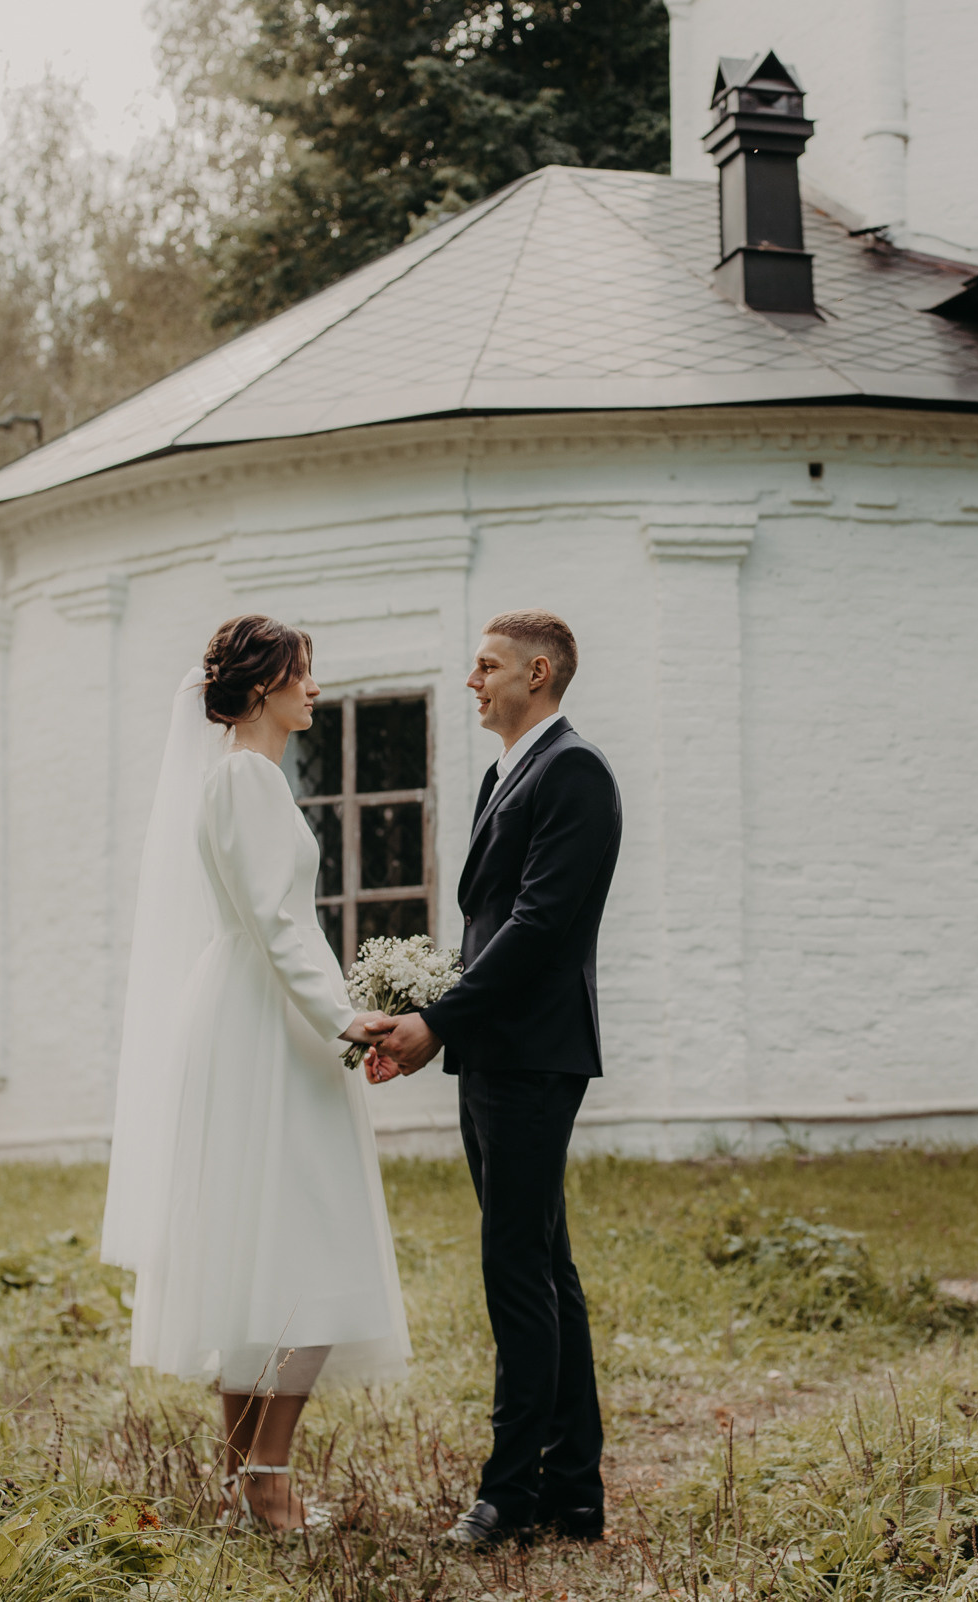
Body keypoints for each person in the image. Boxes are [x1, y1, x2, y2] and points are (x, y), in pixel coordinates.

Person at [101, 615, 409, 1532]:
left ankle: (243, 1479)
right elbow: (281, 924)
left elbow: (275, 925)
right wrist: (347, 1018)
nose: (315, 689)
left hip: (250, 1010)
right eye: (304, 673)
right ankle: (267, 1479)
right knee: (312, 1245)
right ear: (266, 685)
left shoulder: (237, 778)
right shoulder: (250, 779)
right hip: (271, 1023)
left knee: (256, 1247)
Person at [369, 609, 622, 1548]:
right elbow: (487, 926)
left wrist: (440, 1018)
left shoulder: (576, 772)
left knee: (516, 1270)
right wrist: (429, 1001)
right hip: (498, 1050)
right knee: (544, 1267)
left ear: (539, 672)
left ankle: (510, 1495)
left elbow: (541, 924)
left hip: (534, 1053)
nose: (471, 680)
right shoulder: (499, 775)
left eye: (487, 666)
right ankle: (576, 1490)